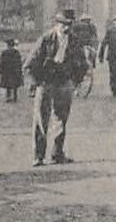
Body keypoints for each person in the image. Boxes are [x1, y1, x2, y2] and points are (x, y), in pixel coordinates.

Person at [25, 10, 88, 166]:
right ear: (57, 24)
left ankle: (57, 154)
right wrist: (37, 82)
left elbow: (82, 64)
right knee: (41, 120)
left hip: (64, 83)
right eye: (64, 24)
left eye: (70, 24)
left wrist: (75, 81)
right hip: (46, 82)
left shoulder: (74, 41)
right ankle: (38, 156)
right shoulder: (46, 39)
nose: (67, 28)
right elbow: (29, 64)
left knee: (61, 120)